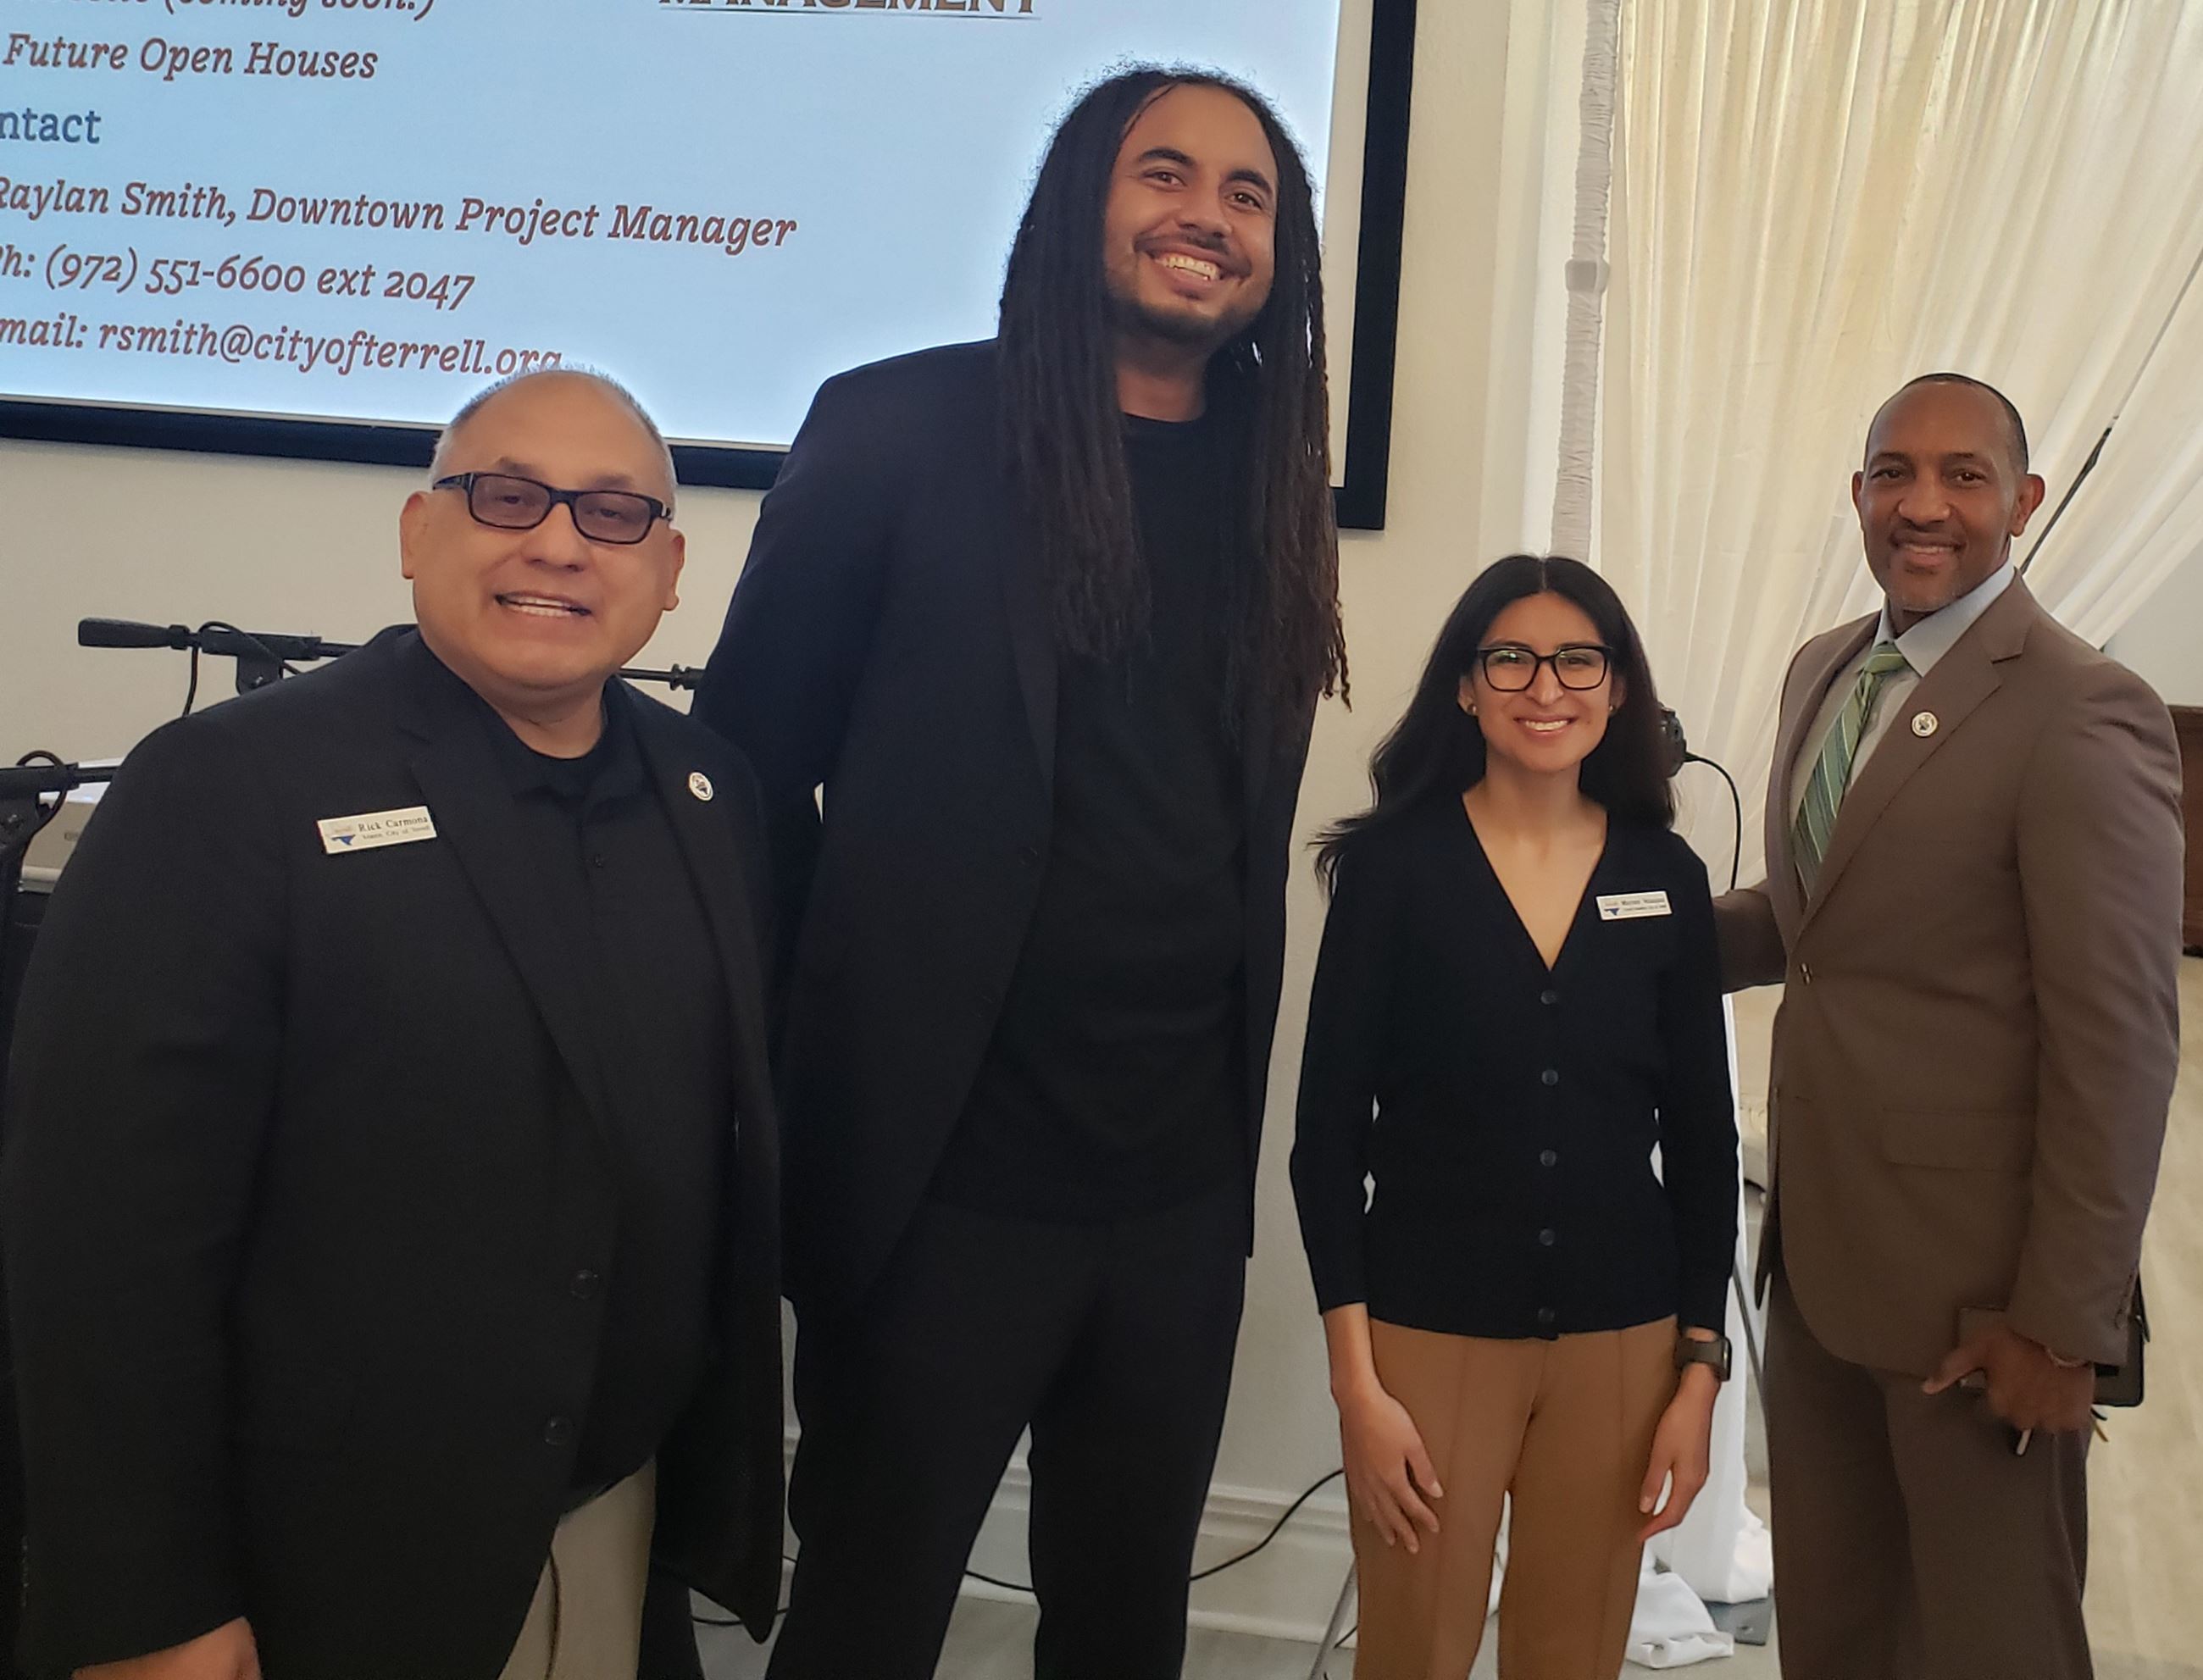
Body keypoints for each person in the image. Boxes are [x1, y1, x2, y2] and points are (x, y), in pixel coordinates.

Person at [693, 65, 1343, 1680]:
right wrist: (784, 1085)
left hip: (1178, 1190)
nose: (1206, 216)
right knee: (866, 1613)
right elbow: (744, 778)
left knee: (1124, 1628)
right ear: (1079, 208)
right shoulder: (900, 427)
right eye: (1164, 173)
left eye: (1248, 193)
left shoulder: (1277, 474)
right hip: (935, 1182)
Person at [1, 370, 785, 1680]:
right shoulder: (226, 786)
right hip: (314, 1561)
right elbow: (101, 1241)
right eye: (507, 497)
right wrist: (146, 1603)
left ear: (669, 568)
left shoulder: (707, 793)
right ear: (420, 533)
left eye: (611, 513)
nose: (555, 542)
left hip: (608, 1521)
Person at [1714, 373, 2184, 1680]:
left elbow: (2124, 1045)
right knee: (1837, 1632)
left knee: (1993, 1644)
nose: (1924, 505)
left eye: (1963, 476)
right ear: (1858, 494)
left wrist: (2061, 1326)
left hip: (1983, 1311)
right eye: (1893, 473)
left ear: (2022, 502)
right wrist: (1606, 931)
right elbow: (1816, 924)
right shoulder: (1824, 671)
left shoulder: (2083, 711)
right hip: (1818, 1264)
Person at [1291, 555, 1737, 1678]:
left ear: (1620, 686)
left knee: (1573, 1652)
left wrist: (1698, 1373)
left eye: (1579, 658)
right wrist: (1358, 1387)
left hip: (1622, 1342)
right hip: (1426, 1336)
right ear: (1466, 687)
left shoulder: (1667, 876)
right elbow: (1326, 1137)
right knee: (1414, 1650)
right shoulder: (1393, 869)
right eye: (1513, 660)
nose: (1548, 687)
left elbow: (1700, 1139)